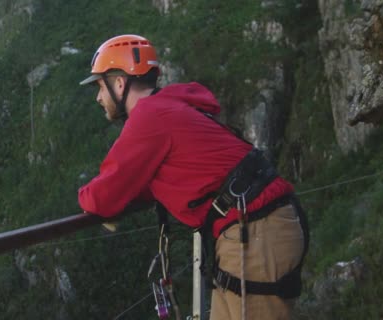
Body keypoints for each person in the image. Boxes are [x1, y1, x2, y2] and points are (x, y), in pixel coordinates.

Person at [77, 34, 307, 320]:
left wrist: (85, 197)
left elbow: (101, 197)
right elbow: (170, 172)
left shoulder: (150, 117)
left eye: (100, 85)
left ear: (119, 83)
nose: (98, 97)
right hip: (256, 228)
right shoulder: (171, 107)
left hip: (254, 234)